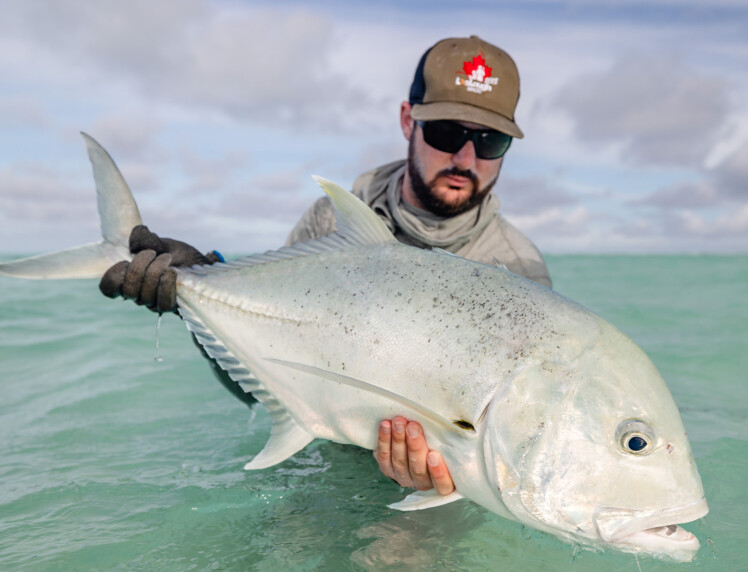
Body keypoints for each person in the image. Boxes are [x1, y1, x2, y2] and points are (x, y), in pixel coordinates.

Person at [99, 35, 550, 499]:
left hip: (429, 497)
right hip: (322, 462)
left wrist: (451, 476)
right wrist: (196, 286)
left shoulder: (518, 271)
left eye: (490, 141)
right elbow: (257, 391)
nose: (465, 158)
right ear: (406, 120)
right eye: (447, 133)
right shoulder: (332, 220)